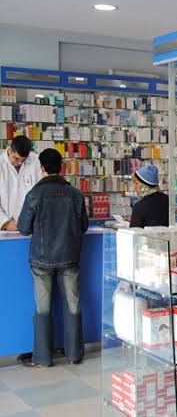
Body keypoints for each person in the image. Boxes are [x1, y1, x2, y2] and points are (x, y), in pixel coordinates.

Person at [17, 148, 89, 367]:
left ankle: (43, 358)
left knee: (43, 309)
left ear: (42, 169)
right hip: (70, 258)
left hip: (41, 260)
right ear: (62, 167)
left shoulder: (35, 194)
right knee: (73, 306)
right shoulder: (75, 194)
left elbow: (23, 228)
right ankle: (74, 355)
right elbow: (83, 227)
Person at [0, 136, 42, 231]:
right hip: (7, 226)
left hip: (31, 225)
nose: (20, 163)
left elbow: (40, 192)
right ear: (10, 151)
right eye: (16, 158)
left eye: (23, 160)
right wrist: (5, 223)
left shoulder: (35, 161)